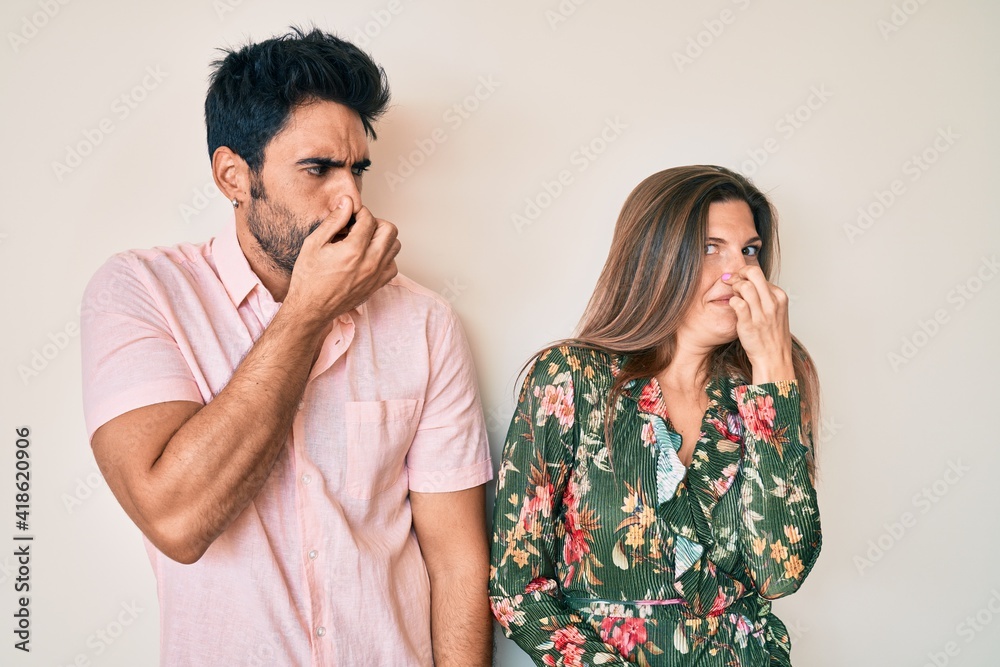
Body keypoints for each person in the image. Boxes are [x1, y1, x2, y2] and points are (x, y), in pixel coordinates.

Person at [80, 27, 493, 666]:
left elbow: (457, 560)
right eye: (318, 169)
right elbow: (176, 520)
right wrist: (309, 312)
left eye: (357, 169)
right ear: (233, 177)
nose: (350, 199)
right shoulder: (140, 292)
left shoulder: (425, 321)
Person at [489, 165, 822, 666]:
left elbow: (782, 571)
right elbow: (517, 589)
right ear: (656, 258)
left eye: (749, 250)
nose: (739, 273)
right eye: (712, 248)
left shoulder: (768, 384)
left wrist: (773, 371)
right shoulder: (572, 378)